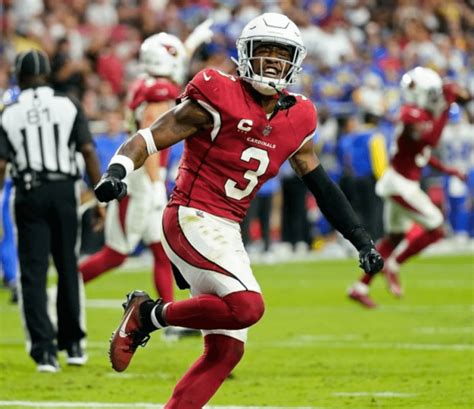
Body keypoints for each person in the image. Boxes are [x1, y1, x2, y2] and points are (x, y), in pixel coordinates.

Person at [94, 13, 383, 408]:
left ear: (294, 62)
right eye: (262, 51)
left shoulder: (299, 116)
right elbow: (149, 136)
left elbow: (321, 183)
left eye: (280, 54)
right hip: (190, 214)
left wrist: (361, 239)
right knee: (248, 306)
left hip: (226, 229)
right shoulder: (216, 92)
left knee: (226, 352)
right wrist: (117, 170)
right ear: (245, 55)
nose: (270, 62)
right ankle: (147, 315)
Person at [0, 49, 104, 372]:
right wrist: (100, 196)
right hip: (64, 191)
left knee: (33, 273)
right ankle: (73, 344)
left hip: (29, 192)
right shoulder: (67, 104)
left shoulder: (8, 111)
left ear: (19, 75)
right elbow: (87, 150)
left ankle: (44, 352)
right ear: (47, 74)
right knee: (67, 265)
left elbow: (2, 164)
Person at [348, 67, 470, 308]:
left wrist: (449, 170)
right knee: (436, 228)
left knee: (393, 238)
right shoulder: (410, 113)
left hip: (402, 183)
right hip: (400, 185)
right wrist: (446, 106)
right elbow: (430, 141)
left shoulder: (419, 114)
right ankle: (394, 264)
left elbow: (422, 153)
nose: (436, 98)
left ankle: (359, 286)